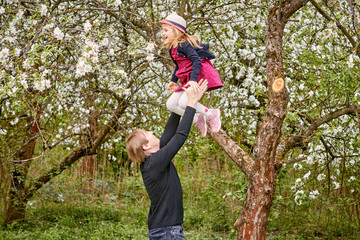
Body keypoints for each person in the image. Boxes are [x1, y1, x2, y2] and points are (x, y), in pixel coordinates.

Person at [126, 79, 208, 240]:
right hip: (167, 232)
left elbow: (170, 131)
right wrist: (191, 103)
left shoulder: (155, 159)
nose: (151, 131)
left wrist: (178, 96)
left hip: (165, 230)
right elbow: (180, 136)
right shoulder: (154, 164)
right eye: (147, 134)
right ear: (146, 146)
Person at [161, 13, 223, 137]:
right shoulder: (172, 49)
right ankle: (197, 118)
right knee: (171, 105)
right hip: (187, 80)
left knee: (185, 102)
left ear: (176, 31)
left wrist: (194, 80)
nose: (163, 34)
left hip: (197, 76)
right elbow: (179, 65)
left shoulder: (184, 44)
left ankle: (211, 113)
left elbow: (196, 60)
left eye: (166, 30)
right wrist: (174, 80)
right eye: (163, 31)